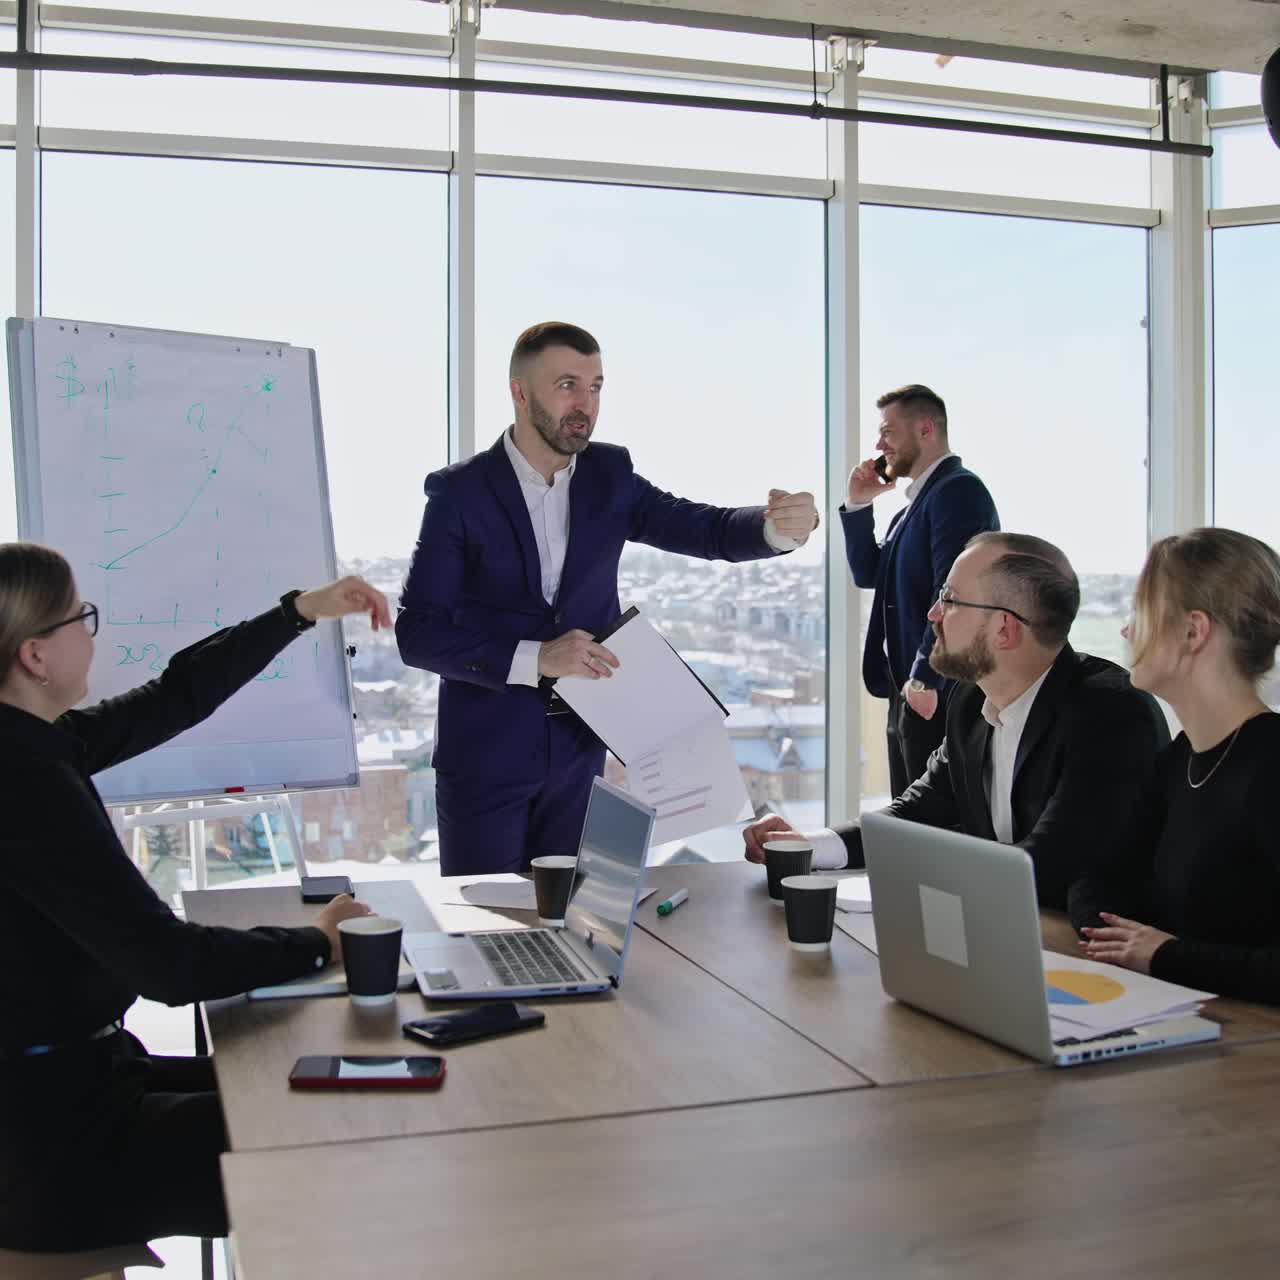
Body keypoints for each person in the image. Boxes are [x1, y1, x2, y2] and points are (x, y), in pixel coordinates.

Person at [0, 542, 391, 1253]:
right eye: (80, 618)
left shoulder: (33, 744)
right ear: (35, 655)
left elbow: (174, 697)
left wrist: (298, 613)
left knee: (314, 1081)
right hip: (54, 1155)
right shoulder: (25, 784)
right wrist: (319, 943)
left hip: (78, 1082)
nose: (91, 633)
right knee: (344, 1129)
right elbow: (168, 964)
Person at [396, 321, 819, 875]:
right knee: (483, 916)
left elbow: (701, 527)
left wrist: (775, 528)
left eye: (595, 387)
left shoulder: (609, 474)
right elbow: (418, 633)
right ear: (519, 392)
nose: (586, 404)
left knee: (572, 915)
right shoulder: (460, 492)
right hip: (485, 756)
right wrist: (539, 658)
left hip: (580, 752)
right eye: (567, 385)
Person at [744, 532, 1169, 911]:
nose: (933, 613)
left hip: (1090, 955)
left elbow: (1048, 868)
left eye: (949, 599)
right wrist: (809, 846)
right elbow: (919, 813)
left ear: (1004, 629)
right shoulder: (970, 701)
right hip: (1011, 935)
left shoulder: (1111, 715)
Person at [1070, 528, 1280, 1004]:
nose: (1127, 631)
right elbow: (1095, 881)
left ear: (1193, 632)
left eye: (1140, 613)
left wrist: (1166, 955)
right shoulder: (1177, 759)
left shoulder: (1272, 768)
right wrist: (1119, 939)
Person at [842, 384, 999, 798]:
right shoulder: (911, 509)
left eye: (888, 432)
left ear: (926, 429)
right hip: (909, 690)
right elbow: (869, 573)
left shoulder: (958, 491)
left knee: (935, 817)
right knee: (908, 811)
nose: (879, 445)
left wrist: (926, 678)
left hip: (935, 688)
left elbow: (953, 591)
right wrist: (858, 504)